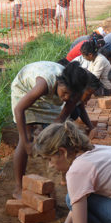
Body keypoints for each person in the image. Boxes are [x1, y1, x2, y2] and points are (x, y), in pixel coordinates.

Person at [11, 61, 89, 199]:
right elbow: (19, 109)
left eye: (70, 96)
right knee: (25, 139)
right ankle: (18, 187)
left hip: (50, 96)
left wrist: (53, 128)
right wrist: (26, 143)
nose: (66, 98)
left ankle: (67, 178)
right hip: (24, 89)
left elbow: (63, 116)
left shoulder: (74, 91)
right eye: (64, 93)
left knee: (61, 138)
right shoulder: (44, 84)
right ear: (59, 83)